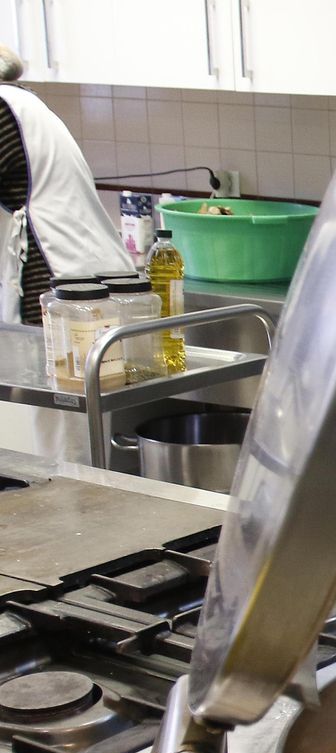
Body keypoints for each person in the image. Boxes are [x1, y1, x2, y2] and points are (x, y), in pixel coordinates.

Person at [0, 46, 133, 463]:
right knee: (69, 439)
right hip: (82, 285)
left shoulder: (4, 111)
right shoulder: (20, 102)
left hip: (68, 292)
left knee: (66, 448)